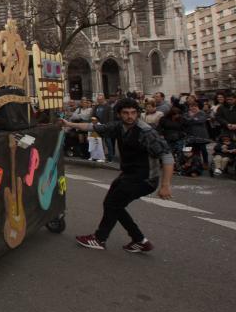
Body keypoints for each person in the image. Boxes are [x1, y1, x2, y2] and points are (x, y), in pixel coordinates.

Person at [60, 98, 173, 252]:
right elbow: (94, 127)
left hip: (145, 179)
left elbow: (167, 157)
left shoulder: (146, 132)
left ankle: (100, 238)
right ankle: (139, 240)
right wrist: (69, 124)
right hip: (129, 175)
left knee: (114, 204)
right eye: (126, 113)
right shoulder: (119, 126)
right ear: (119, 114)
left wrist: (165, 186)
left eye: (133, 113)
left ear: (138, 113)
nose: (130, 116)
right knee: (112, 204)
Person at [183, 102, 210, 167]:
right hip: (189, 134)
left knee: (203, 149)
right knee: (187, 149)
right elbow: (185, 121)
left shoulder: (202, 113)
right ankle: (187, 162)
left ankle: (205, 163)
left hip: (201, 135)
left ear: (197, 107)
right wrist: (194, 118)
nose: (193, 108)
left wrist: (192, 117)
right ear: (189, 107)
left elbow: (201, 121)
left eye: (194, 106)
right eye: (191, 106)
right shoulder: (186, 113)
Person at [93, 95, 115, 161]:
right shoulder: (96, 107)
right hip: (98, 126)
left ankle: (110, 157)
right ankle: (101, 156)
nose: (99, 101)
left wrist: (108, 125)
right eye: (98, 100)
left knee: (108, 142)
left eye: (100, 99)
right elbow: (94, 115)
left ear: (103, 99)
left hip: (106, 127)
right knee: (99, 142)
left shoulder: (108, 107)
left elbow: (111, 118)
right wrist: (94, 122)